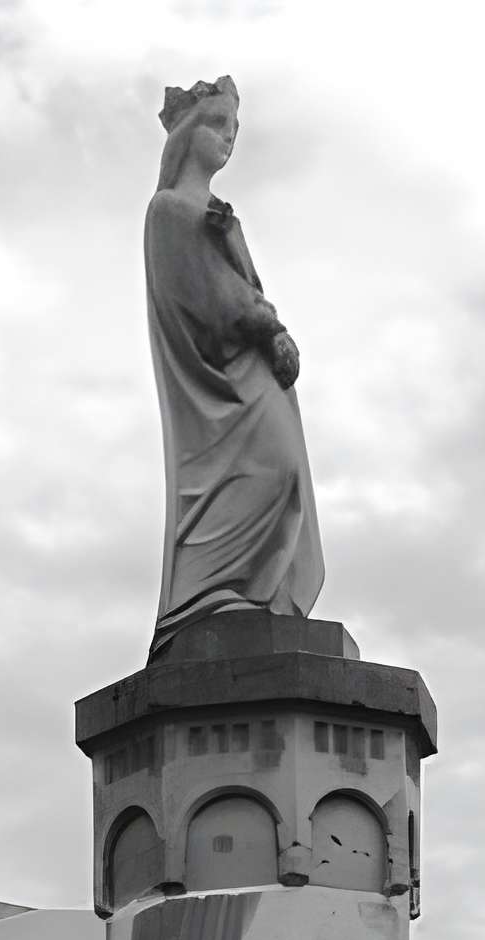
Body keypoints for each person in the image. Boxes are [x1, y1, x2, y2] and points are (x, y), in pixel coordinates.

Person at [145, 77, 325, 642]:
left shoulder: (218, 211)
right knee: (272, 467)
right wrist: (269, 326)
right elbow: (204, 294)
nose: (228, 138)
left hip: (252, 370)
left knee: (287, 472)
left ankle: (255, 592)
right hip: (221, 375)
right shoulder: (170, 211)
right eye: (218, 125)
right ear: (187, 135)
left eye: (235, 129)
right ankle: (212, 595)